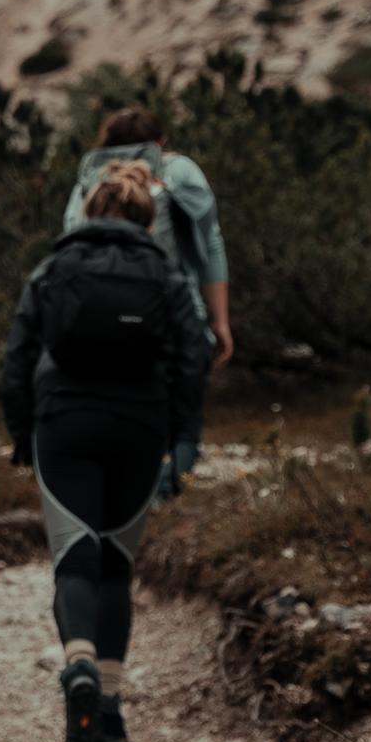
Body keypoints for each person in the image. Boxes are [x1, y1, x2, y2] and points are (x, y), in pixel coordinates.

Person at [0, 159, 211, 742]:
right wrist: (182, 436)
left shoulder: (54, 267)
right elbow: (192, 357)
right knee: (116, 564)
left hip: (64, 420)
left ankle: (80, 663)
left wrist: (21, 431)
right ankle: (111, 710)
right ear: (147, 220)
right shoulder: (165, 273)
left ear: (89, 211)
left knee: (75, 557)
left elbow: (18, 355)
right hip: (139, 426)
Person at [63, 104, 231, 486]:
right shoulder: (180, 170)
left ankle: (126, 489)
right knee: (183, 418)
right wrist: (219, 321)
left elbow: (69, 240)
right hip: (175, 313)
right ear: (161, 141)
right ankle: (163, 486)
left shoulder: (90, 179)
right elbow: (211, 244)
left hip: (100, 320)